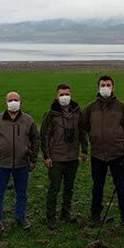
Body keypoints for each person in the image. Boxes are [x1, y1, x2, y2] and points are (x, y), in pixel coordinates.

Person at [81, 75, 124, 227]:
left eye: (108, 84)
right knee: (97, 186)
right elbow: (84, 126)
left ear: (113, 87)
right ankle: (95, 215)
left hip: (117, 154)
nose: (105, 87)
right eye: (103, 85)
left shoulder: (122, 107)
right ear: (98, 87)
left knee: (121, 186)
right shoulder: (90, 108)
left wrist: (118, 138)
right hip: (97, 154)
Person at [0, 91, 39, 231]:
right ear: (6, 103)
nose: (13, 102)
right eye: (10, 100)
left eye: (16, 99)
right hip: (1, 163)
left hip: (22, 163)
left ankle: (20, 217)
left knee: (22, 192)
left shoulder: (28, 120)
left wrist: (33, 158)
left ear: (21, 102)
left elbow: (35, 140)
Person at [40, 83, 88, 230]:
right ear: (57, 96)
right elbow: (44, 136)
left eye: (67, 94)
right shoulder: (51, 114)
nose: (64, 97)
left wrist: (84, 150)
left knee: (69, 187)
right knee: (54, 187)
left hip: (72, 157)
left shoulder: (77, 111)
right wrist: (47, 156)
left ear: (71, 94)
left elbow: (82, 132)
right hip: (56, 157)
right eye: (61, 94)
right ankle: (51, 216)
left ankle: (65, 213)